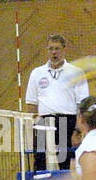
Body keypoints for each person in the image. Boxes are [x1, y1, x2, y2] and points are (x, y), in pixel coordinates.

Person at [25, 34, 89, 170]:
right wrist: (30, 129)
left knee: (65, 160)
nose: (54, 52)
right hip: (43, 123)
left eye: (57, 49)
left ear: (64, 50)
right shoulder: (37, 73)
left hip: (67, 122)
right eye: (51, 49)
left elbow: (83, 104)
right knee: (40, 160)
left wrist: (78, 129)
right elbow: (31, 104)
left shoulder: (76, 72)